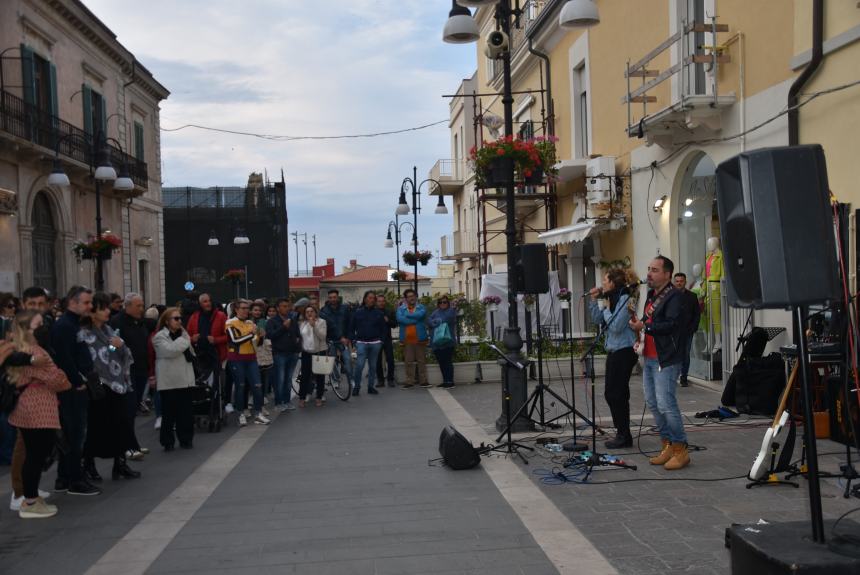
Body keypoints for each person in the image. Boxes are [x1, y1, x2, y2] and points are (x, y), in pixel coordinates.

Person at [6, 310, 71, 518]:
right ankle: (30, 501)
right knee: (36, 455)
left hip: (29, 407)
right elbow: (58, 379)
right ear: (27, 330)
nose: (44, 327)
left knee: (33, 455)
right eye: (39, 324)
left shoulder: (24, 350)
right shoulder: (35, 353)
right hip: (38, 409)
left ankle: (30, 497)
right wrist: (61, 377)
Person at [629, 256, 691, 470]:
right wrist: (640, 327)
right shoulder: (651, 294)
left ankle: (680, 449)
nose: (649, 273)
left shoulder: (674, 296)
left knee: (666, 403)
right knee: (653, 402)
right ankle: (667, 444)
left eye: (655, 270)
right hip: (650, 355)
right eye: (649, 269)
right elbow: (650, 321)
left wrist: (645, 328)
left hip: (667, 357)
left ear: (667, 274)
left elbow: (672, 324)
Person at [79, 292, 141, 482]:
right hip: (98, 387)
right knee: (97, 427)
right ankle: (89, 464)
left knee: (121, 425)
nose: (108, 312)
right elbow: (94, 357)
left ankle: (119, 464)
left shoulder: (108, 330)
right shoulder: (85, 334)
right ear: (92, 312)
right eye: (103, 308)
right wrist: (114, 347)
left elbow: (116, 353)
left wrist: (119, 346)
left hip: (117, 385)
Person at [50, 286, 100, 496]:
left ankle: (64, 476)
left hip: (77, 384)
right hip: (72, 388)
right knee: (75, 434)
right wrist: (75, 380)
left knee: (74, 433)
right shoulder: (64, 326)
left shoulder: (73, 324)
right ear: (73, 302)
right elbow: (63, 357)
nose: (90, 306)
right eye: (87, 302)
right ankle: (74, 480)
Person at [4, 329, 54, 512]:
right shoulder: (17, 345)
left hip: (28, 400)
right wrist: (31, 360)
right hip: (20, 399)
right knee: (23, 446)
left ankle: (29, 488)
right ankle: (20, 493)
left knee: (31, 448)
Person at [589, 269, 638, 448]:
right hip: (614, 351)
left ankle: (624, 435)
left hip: (624, 350)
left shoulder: (627, 299)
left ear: (613, 282)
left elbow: (616, 326)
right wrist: (595, 301)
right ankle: (622, 432)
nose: (602, 282)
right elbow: (597, 320)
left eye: (605, 279)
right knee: (612, 394)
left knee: (616, 394)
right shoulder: (611, 298)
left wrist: (607, 309)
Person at [110, 293, 150, 460]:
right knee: (127, 409)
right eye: (138, 306)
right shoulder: (117, 322)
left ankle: (132, 443)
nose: (141, 309)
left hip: (141, 368)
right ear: (128, 306)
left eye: (142, 305)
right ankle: (127, 446)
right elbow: (111, 349)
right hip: (126, 372)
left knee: (133, 409)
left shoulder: (139, 321)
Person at [152, 308, 196, 450]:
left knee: (186, 414)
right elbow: (169, 351)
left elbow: (191, 353)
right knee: (169, 414)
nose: (179, 321)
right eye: (175, 319)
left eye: (180, 318)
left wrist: (185, 340)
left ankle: (186, 439)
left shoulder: (183, 334)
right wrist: (185, 341)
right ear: (166, 321)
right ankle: (167, 441)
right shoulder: (160, 336)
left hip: (185, 379)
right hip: (169, 382)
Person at [225, 300, 269, 426]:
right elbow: (235, 340)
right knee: (241, 386)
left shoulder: (250, 323)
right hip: (236, 358)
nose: (246, 311)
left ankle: (258, 413)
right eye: (243, 308)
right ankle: (240, 414)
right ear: (236, 309)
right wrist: (252, 335)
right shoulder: (230, 322)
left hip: (251, 359)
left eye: (247, 308)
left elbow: (256, 342)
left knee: (257, 386)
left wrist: (260, 336)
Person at [186, 293, 228, 414]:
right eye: (204, 301)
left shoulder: (220, 316)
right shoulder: (194, 316)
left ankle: (216, 408)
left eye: (209, 301)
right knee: (201, 385)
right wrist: (192, 339)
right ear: (200, 304)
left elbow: (228, 336)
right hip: (199, 355)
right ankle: (202, 408)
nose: (208, 303)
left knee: (216, 384)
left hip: (216, 355)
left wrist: (216, 340)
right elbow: (186, 336)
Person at [348, 291, 387, 396]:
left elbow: (384, 329)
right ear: (365, 299)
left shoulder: (379, 313)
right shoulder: (357, 312)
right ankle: (356, 387)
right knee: (359, 366)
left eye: (373, 298)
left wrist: (381, 341)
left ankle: (370, 387)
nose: (372, 300)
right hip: (361, 343)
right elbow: (351, 328)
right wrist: (354, 341)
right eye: (369, 298)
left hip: (375, 343)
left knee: (373, 366)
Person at [266, 298, 301, 412]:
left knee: (288, 379)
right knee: (279, 379)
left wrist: (297, 344)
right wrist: (283, 327)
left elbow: (297, 334)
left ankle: (287, 401)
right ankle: (278, 402)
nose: (286, 308)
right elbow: (271, 335)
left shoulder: (292, 320)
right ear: (278, 308)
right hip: (279, 354)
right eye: (283, 306)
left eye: (287, 306)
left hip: (292, 353)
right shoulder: (272, 321)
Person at [319, 289, 353, 390]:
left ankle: (351, 379)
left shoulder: (345, 308)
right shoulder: (324, 310)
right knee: (332, 361)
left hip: (344, 339)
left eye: (334, 297)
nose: (332, 299)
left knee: (347, 360)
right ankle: (335, 380)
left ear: (338, 298)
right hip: (331, 340)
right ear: (328, 298)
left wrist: (348, 338)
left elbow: (349, 324)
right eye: (330, 298)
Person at [673, 273, 701, 388]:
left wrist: (693, 328)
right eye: (677, 281)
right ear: (674, 282)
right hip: (672, 331)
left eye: (681, 281)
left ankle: (684, 377)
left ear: (685, 282)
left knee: (685, 354)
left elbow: (697, 314)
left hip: (687, 331)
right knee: (673, 354)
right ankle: (673, 376)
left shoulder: (692, 296)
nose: (679, 283)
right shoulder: (670, 296)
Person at [396, 289, 429, 389]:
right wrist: (414, 321)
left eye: (413, 295)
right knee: (408, 361)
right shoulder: (401, 309)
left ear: (416, 297)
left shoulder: (421, 307)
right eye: (409, 296)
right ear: (406, 299)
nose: (412, 298)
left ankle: (423, 381)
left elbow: (420, 315)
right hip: (407, 339)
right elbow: (400, 319)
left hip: (420, 338)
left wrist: (407, 316)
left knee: (421, 360)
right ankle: (409, 381)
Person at [299, 305, 327, 407]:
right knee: (304, 376)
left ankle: (319, 397)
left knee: (320, 376)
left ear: (316, 312)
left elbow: (322, 336)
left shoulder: (321, 322)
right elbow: (301, 337)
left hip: (319, 352)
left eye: (311, 311)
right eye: (307, 312)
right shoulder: (303, 323)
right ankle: (302, 397)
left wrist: (314, 325)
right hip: (306, 352)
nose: (309, 313)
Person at [428, 296, 457, 389]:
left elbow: (448, 318)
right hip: (437, 342)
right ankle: (445, 381)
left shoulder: (451, 311)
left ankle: (450, 381)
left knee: (447, 361)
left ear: (448, 303)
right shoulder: (435, 312)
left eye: (444, 302)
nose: (442, 304)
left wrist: (436, 321)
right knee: (441, 362)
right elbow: (428, 321)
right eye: (440, 302)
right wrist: (436, 321)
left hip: (448, 341)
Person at [251, 302, 273, 404]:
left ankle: (262, 396)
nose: (257, 312)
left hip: (262, 352)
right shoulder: (248, 322)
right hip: (251, 352)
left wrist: (262, 334)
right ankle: (252, 396)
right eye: (255, 310)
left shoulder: (263, 321)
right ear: (251, 311)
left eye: (259, 310)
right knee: (253, 377)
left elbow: (264, 337)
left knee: (264, 376)